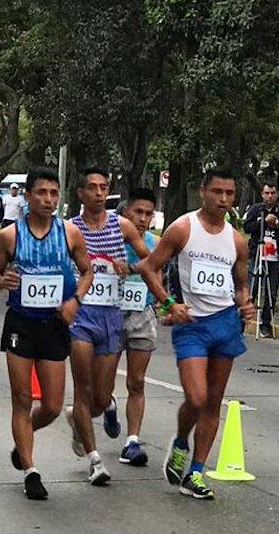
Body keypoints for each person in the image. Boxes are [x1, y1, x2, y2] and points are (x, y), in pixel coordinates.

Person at [138, 167, 254, 500]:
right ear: (203, 192)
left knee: (213, 401)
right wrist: (169, 304)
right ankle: (180, 441)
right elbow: (149, 267)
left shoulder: (236, 240)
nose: (223, 199)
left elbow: (240, 285)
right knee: (196, 398)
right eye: (217, 192)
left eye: (229, 194)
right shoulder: (183, 228)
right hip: (191, 325)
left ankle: (196, 473)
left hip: (225, 324)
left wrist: (246, 304)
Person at [0, 167, 94, 500]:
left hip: (54, 324)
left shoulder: (69, 233)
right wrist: (2, 280)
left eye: (53, 193)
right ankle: (31, 471)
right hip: (21, 323)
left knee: (51, 405)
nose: (48, 199)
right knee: (22, 399)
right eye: (41, 193)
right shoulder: (9, 236)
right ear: (28, 196)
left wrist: (76, 300)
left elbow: (87, 271)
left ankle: (24, 437)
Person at [65, 168, 150, 487]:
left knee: (100, 398)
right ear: (81, 194)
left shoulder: (121, 225)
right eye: (92, 187)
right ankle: (95, 460)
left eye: (104, 187)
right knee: (83, 389)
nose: (99, 193)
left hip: (111, 316)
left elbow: (151, 259)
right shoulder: (70, 228)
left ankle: (83, 419)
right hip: (82, 316)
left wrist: (130, 267)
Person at [117, 187, 160, 467]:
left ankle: (132, 441)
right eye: (138, 212)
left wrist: (163, 305)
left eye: (148, 214)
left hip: (142, 315)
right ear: (126, 213)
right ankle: (108, 407)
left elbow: (157, 273)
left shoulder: (155, 244)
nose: (143, 219)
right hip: (109, 315)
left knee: (137, 381)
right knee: (100, 388)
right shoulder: (110, 238)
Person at [242, 182, 279, 337]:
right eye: (267, 193)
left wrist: (277, 224)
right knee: (252, 289)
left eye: (273, 193)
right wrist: (263, 221)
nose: (270, 196)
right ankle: (241, 321)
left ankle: (266, 323)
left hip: (275, 256)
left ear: (277, 194)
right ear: (262, 194)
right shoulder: (256, 209)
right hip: (258, 254)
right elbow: (247, 227)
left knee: (271, 292)